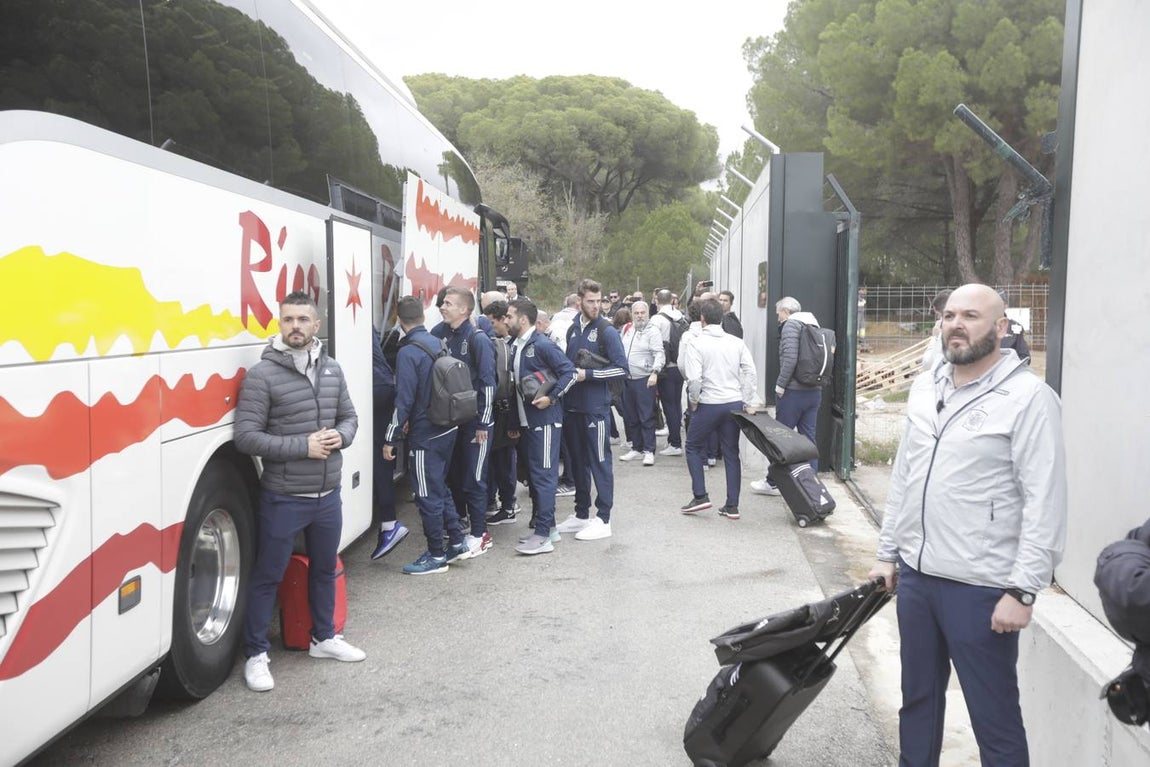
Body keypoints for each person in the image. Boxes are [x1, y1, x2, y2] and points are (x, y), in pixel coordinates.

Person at [867, 283, 1067, 767]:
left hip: (980, 588)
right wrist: (887, 553)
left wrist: (1022, 590)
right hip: (916, 578)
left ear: (1000, 328)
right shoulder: (925, 388)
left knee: (993, 719)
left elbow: (1046, 501)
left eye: (971, 316)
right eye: (950, 315)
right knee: (917, 703)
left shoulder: (1028, 398)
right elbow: (906, 477)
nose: (957, 324)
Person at [234, 291, 366, 693]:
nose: (296, 327)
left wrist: (340, 438)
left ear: (316, 323)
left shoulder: (331, 369)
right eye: (288, 319)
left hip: (327, 494)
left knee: (325, 569)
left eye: (303, 320)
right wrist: (302, 446)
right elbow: (246, 438)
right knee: (268, 576)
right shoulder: (262, 375)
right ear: (279, 323)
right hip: (284, 496)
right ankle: (256, 654)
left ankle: (323, 639)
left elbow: (350, 417)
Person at [384, 296, 471, 575]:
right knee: (439, 487)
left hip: (425, 433)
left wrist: (390, 437)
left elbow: (403, 400)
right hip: (447, 426)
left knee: (425, 494)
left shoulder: (408, 352)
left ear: (399, 320)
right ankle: (456, 542)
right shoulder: (437, 341)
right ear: (422, 317)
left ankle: (435, 555)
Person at [558, 278, 629, 542]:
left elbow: (622, 369)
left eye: (599, 301)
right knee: (577, 464)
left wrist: (588, 374)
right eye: (591, 301)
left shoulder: (606, 330)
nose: (596, 306)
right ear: (579, 301)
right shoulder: (573, 329)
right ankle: (581, 513)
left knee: (600, 462)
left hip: (596, 410)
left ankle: (604, 518)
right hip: (573, 408)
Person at [506, 297, 576, 554]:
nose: (506, 321)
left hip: (545, 421)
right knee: (537, 476)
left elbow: (569, 372)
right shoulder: (517, 346)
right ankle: (551, 529)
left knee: (544, 476)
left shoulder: (542, 344)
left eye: (510, 316)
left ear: (522, 319)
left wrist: (552, 397)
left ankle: (543, 534)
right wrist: (515, 421)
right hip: (528, 423)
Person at [678, 298, 757, 519]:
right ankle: (732, 505)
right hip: (733, 402)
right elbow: (750, 372)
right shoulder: (736, 342)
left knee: (693, 446)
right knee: (731, 452)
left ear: (702, 319)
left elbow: (694, 378)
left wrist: (694, 400)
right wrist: (748, 400)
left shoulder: (696, 342)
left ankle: (701, 495)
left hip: (709, 403)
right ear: (721, 318)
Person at [433, 286, 496, 558]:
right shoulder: (439, 334)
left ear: (464, 309)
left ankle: (480, 534)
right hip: (451, 421)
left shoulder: (478, 339)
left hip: (476, 423)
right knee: (456, 476)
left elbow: (488, 383)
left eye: (448, 303)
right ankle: (460, 524)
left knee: (475, 478)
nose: (442, 307)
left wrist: (483, 423)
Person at [750, 297, 823, 496]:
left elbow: (790, 359)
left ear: (786, 311)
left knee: (780, 438)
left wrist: (780, 386)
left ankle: (773, 482)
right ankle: (812, 484)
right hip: (814, 391)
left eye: (778, 313)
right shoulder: (813, 324)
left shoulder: (791, 325)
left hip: (794, 392)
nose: (777, 317)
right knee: (808, 438)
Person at [370, 324, 409, 560]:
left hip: (375, 386)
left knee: (380, 456)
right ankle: (387, 522)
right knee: (379, 456)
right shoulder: (370, 326)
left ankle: (389, 523)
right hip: (382, 384)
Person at [481, 299, 521, 525]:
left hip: (506, 412)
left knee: (505, 461)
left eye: (490, 321)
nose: (489, 326)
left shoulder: (506, 345)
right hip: (505, 411)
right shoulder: (502, 343)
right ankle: (502, 502)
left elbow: (504, 383)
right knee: (499, 460)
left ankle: (508, 505)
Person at [618, 300, 664, 466]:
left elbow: (659, 353)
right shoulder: (628, 329)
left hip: (644, 379)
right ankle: (637, 448)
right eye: (636, 312)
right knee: (631, 416)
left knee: (646, 416)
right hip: (627, 379)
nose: (639, 316)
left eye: (642, 312)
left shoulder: (653, 331)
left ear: (648, 313)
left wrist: (655, 372)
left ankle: (649, 450)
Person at [649, 288, 686, 457]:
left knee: (669, 406)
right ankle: (676, 438)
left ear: (657, 300)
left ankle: (675, 443)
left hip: (665, 368)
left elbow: (652, 343)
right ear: (672, 300)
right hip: (679, 366)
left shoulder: (657, 319)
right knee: (676, 404)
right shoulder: (679, 315)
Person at [921, 288, 952, 371]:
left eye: (938, 316)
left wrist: (936, 338)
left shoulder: (945, 335)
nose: (938, 320)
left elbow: (929, 364)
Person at [997, 290, 1031, 365]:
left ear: (1005, 306)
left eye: (998, 304)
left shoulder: (1016, 327)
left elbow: (1024, 356)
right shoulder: (980, 325)